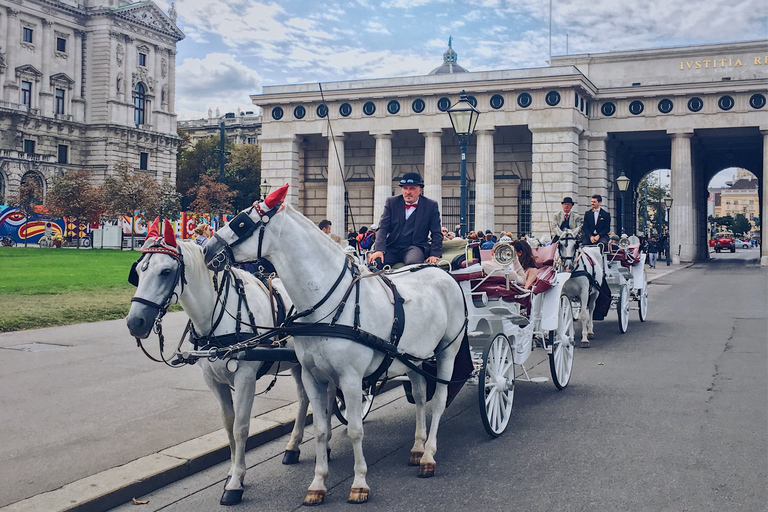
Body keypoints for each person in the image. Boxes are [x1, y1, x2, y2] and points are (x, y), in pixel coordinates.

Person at [368, 172, 443, 267]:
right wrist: (379, 250)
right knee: (375, 262)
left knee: (413, 264)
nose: (408, 192)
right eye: (405, 188)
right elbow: (382, 228)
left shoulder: (430, 205)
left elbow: (436, 232)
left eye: (412, 188)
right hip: (392, 247)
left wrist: (434, 254)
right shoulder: (392, 202)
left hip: (415, 247)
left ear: (420, 190)